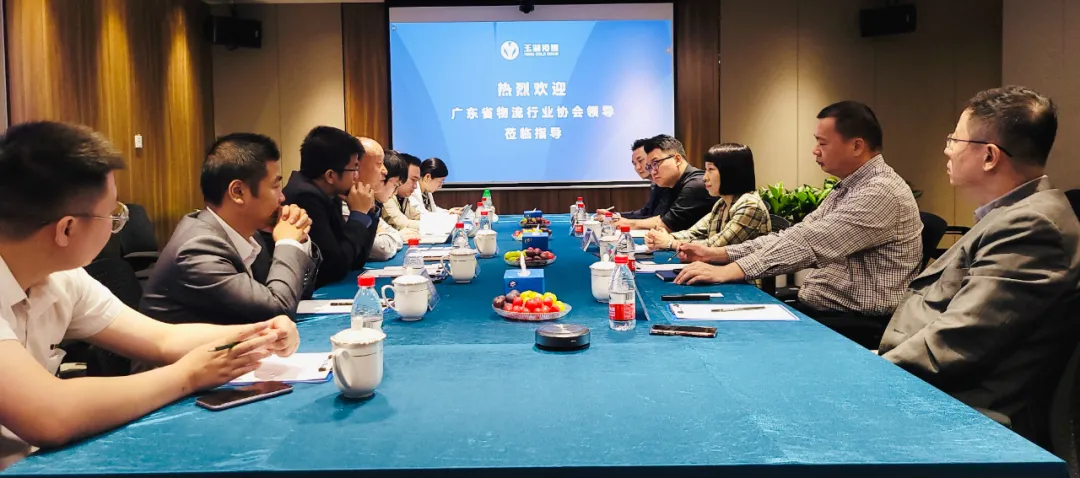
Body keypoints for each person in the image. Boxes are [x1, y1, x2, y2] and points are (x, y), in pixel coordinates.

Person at [0, 122, 299, 469]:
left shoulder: (62, 278)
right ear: (67, 228)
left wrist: (261, 333)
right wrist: (187, 376)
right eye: (112, 214)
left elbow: (162, 338)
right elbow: (50, 414)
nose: (116, 224)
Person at [879, 86, 1080, 446]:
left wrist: (865, 376)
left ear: (989, 156)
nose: (947, 149)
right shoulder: (1014, 215)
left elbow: (956, 342)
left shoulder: (1032, 226)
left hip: (966, 415)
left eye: (955, 139)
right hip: (935, 392)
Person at [674, 101, 922, 348]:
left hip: (856, 324)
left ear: (857, 146)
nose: (815, 151)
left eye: (822, 143)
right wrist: (718, 254)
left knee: (737, 341)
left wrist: (729, 270)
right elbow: (793, 235)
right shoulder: (850, 187)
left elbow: (809, 244)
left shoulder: (881, 191)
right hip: (826, 312)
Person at [141, 133, 320, 325]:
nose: (282, 198)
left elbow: (295, 294)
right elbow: (277, 312)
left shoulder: (250, 235)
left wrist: (299, 240)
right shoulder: (197, 249)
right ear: (238, 192)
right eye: (275, 186)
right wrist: (288, 243)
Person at [283, 127, 385, 289]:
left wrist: (369, 213)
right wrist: (359, 215)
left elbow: (356, 260)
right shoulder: (305, 197)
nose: (357, 176)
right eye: (354, 169)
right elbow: (335, 267)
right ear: (331, 175)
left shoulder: (331, 193)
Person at [645, 143, 770, 250]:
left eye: (710, 169)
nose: (705, 177)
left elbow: (715, 247)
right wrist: (665, 237)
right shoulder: (721, 204)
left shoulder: (749, 205)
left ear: (730, 172)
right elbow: (694, 233)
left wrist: (670, 243)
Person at [614, 135, 717, 232]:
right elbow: (660, 217)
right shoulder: (671, 184)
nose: (653, 172)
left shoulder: (696, 184)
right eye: (649, 167)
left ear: (677, 160)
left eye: (656, 163)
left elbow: (667, 225)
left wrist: (628, 223)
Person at [619, 137, 668, 219]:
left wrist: (621, 220)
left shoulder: (668, 184)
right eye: (634, 164)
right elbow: (645, 211)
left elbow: (657, 218)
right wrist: (615, 215)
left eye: (640, 160)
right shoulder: (655, 184)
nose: (637, 167)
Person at [381, 150, 423, 231]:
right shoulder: (385, 194)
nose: (415, 186)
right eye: (413, 180)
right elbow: (400, 224)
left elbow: (416, 215)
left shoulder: (402, 197)